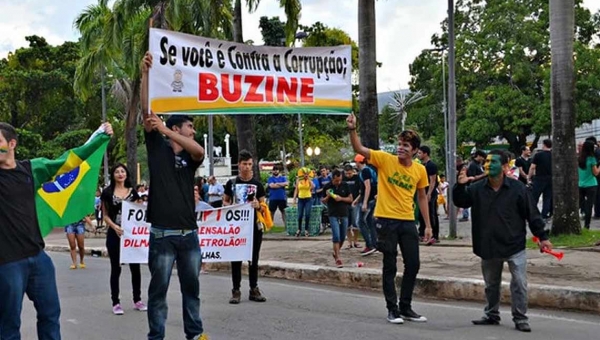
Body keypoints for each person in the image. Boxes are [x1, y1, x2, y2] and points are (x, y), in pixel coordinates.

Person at [0, 121, 113, 340]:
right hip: (6, 264)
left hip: (38, 259)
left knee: (50, 315)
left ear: (12, 143)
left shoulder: (32, 169)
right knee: (8, 324)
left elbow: (69, 161)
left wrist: (98, 137)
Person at [141, 51, 207, 340]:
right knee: (158, 292)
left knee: (192, 291)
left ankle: (195, 334)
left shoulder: (191, 156)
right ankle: (156, 336)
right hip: (162, 235)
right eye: (190, 127)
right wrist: (145, 74)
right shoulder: (158, 149)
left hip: (189, 234)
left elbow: (199, 152)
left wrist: (167, 129)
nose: (193, 131)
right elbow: (147, 114)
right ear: (179, 127)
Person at [453, 149, 552, 333]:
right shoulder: (476, 188)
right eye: (487, 162)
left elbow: (532, 214)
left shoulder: (518, 189)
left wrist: (542, 237)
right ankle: (491, 314)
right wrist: (460, 185)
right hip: (488, 245)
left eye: (494, 162)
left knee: (520, 283)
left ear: (506, 167)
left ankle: (520, 318)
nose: (488, 165)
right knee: (491, 284)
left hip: (514, 245)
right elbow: (461, 202)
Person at [347, 113, 432, 324]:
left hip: (407, 221)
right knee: (390, 264)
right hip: (385, 220)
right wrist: (352, 129)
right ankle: (392, 309)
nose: (401, 147)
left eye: (405, 145)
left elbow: (421, 197)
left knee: (413, 263)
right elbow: (359, 149)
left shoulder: (420, 170)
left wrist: (428, 225)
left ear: (414, 150)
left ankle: (406, 307)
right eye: (399, 143)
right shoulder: (385, 160)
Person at [223, 150, 268, 304]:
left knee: (253, 259)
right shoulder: (232, 183)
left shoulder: (257, 185)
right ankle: (236, 290)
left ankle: (254, 288)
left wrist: (258, 205)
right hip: (237, 227)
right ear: (239, 165)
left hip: (254, 226)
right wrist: (231, 207)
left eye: (250, 164)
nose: (247, 167)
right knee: (236, 258)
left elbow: (264, 206)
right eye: (244, 164)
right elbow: (225, 202)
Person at [101, 163, 146, 315]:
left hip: (131, 235)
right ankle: (116, 302)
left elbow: (140, 211)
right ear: (113, 175)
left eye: (122, 171)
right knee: (116, 268)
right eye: (117, 172)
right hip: (115, 234)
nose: (120, 174)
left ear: (126, 174)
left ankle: (137, 299)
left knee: (135, 267)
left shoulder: (133, 192)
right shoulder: (107, 193)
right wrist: (114, 227)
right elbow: (105, 215)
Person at [322, 169, 353, 267]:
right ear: (332, 178)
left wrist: (341, 198)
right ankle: (338, 258)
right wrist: (328, 196)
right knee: (336, 236)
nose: (338, 182)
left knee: (343, 236)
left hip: (344, 213)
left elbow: (350, 199)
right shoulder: (327, 186)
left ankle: (336, 252)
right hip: (333, 213)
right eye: (336, 180)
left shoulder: (345, 185)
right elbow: (323, 200)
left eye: (340, 180)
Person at [354, 154, 378, 256]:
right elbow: (364, 189)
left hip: (368, 200)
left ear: (358, 162)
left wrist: (364, 202)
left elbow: (367, 187)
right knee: (370, 221)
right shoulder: (368, 170)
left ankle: (369, 244)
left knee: (359, 222)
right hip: (370, 199)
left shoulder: (365, 171)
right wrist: (357, 199)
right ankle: (375, 244)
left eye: (356, 162)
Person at [417, 146, 440, 244]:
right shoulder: (421, 165)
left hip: (430, 192)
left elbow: (433, 181)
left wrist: (429, 193)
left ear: (425, 153)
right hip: (422, 191)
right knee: (422, 213)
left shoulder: (431, 165)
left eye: (420, 153)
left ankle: (434, 235)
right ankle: (422, 233)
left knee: (431, 213)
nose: (418, 155)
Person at [528, 139, 553, 219]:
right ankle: (544, 215)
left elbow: (532, 167)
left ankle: (532, 214)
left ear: (544, 144)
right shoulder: (553, 155)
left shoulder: (538, 155)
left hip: (539, 178)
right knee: (547, 198)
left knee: (534, 197)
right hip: (550, 178)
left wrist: (529, 177)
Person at [578, 141, 600, 229]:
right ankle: (587, 226)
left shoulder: (579, 158)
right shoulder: (591, 159)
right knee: (589, 205)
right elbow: (596, 173)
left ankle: (582, 214)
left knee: (582, 204)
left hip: (581, 184)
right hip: (591, 184)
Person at [293, 167, 315, 237]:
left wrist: (308, 179)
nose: (305, 175)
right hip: (300, 199)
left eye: (307, 174)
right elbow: (296, 189)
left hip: (308, 198)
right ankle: (299, 229)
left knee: (307, 215)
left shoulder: (309, 180)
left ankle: (306, 230)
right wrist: (294, 199)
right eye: (304, 174)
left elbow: (313, 186)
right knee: (300, 215)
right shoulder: (298, 180)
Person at [343, 164, 361, 248]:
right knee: (347, 224)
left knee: (355, 224)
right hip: (345, 203)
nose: (348, 175)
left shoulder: (357, 178)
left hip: (355, 203)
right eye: (346, 173)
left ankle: (356, 241)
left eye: (350, 173)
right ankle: (349, 242)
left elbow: (361, 191)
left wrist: (356, 200)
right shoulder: (343, 179)